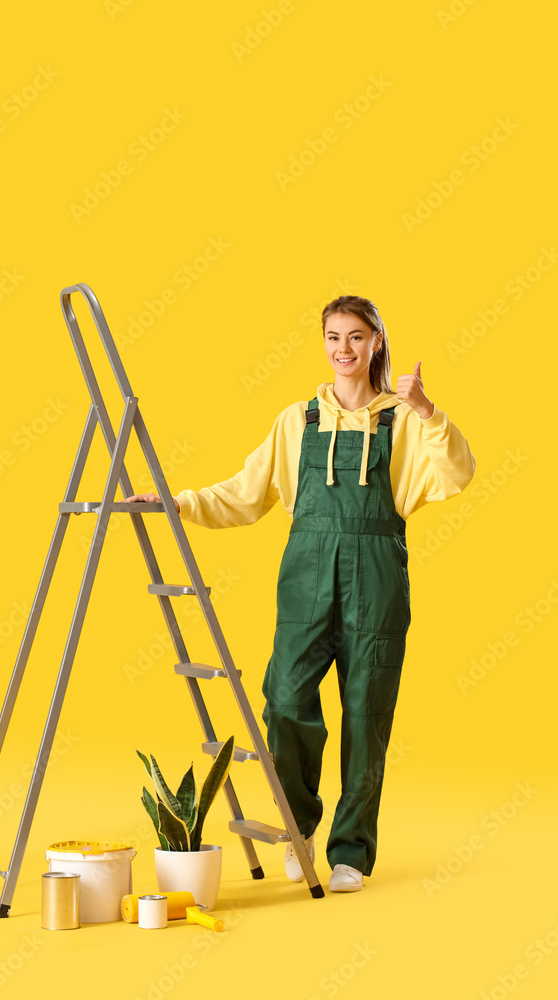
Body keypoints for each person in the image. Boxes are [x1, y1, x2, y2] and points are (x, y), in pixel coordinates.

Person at [122, 294, 476, 892]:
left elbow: (457, 473)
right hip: (307, 575)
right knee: (284, 701)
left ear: (376, 343)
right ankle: (297, 827)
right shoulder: (298, 420)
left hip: (378, 576)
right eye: (334, 336)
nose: (344, 348)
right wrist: (174, 501)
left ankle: (350, 854)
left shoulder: (404, 419)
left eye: (357, 337)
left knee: (367, 714)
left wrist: (427, 408)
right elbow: (244, 492)